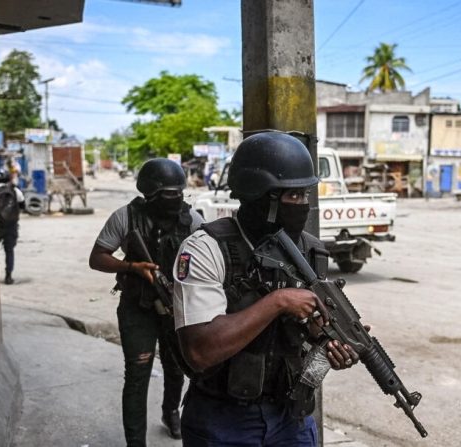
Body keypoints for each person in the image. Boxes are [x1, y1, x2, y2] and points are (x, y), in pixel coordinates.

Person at [172, 132, 359, 446]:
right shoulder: (206, 249)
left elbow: (309, 337)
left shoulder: (311, 252)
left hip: (291, 418)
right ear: (261, 197)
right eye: (292, 196)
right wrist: (278, 301)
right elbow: (200, 352)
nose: (302, 205)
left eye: (305, 196)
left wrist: (329, 342)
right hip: (223, 421)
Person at [89, 158, 203, 446]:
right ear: (150, 194)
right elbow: (97, 258)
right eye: (168, 194)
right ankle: (135, 442)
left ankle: (170, 412)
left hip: (176, 306)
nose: (176, 199)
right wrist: (132, 268)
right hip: (137, 306)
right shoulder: (125, 217)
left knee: (177, 367)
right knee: (138, 374)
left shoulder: (192, 220)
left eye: (179, 192)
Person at [0, 168, 25, 285]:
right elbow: (22, 205)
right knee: (9, 251)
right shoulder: (15, 190)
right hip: (11, 226)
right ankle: (8, 276)